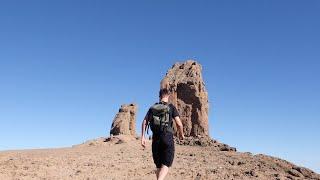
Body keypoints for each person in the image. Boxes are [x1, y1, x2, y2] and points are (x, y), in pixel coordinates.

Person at [141, 89, 185, 180]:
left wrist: (143, 137)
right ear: (168, 96)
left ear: (159, 96)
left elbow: (144, 122)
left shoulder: (152, 108)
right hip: (167, 137)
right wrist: (181, 134)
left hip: (155, 139)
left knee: (158, 165)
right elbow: (179, 124)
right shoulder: (171, 107)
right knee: (166, 164)